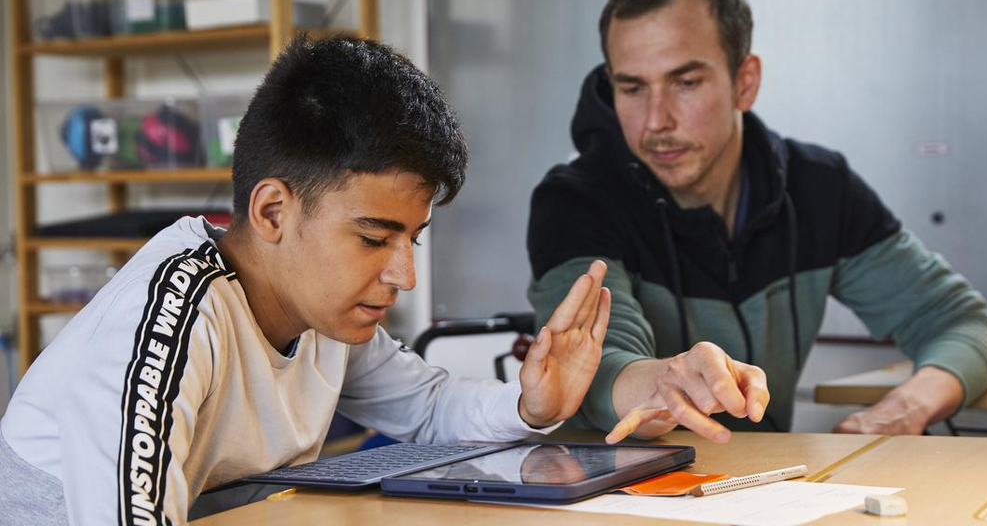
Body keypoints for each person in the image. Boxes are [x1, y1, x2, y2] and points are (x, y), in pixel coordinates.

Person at [0, 35, 613, 525]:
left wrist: (530, 406)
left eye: (413, 238)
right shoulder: (165, 324)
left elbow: (427, 408)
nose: (404, 275)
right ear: (273, 212)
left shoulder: (319, 314)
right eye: (374, 239)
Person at [527, 0, 987, 444]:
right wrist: (665, 383)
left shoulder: (821, 187)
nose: (655, 121)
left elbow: (960, 322)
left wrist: (905, 408)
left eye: (686, 82)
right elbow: (592, 367)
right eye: (632, 88)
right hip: (622, 500)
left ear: (744, 81)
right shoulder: (574, 201)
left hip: (771, 492)